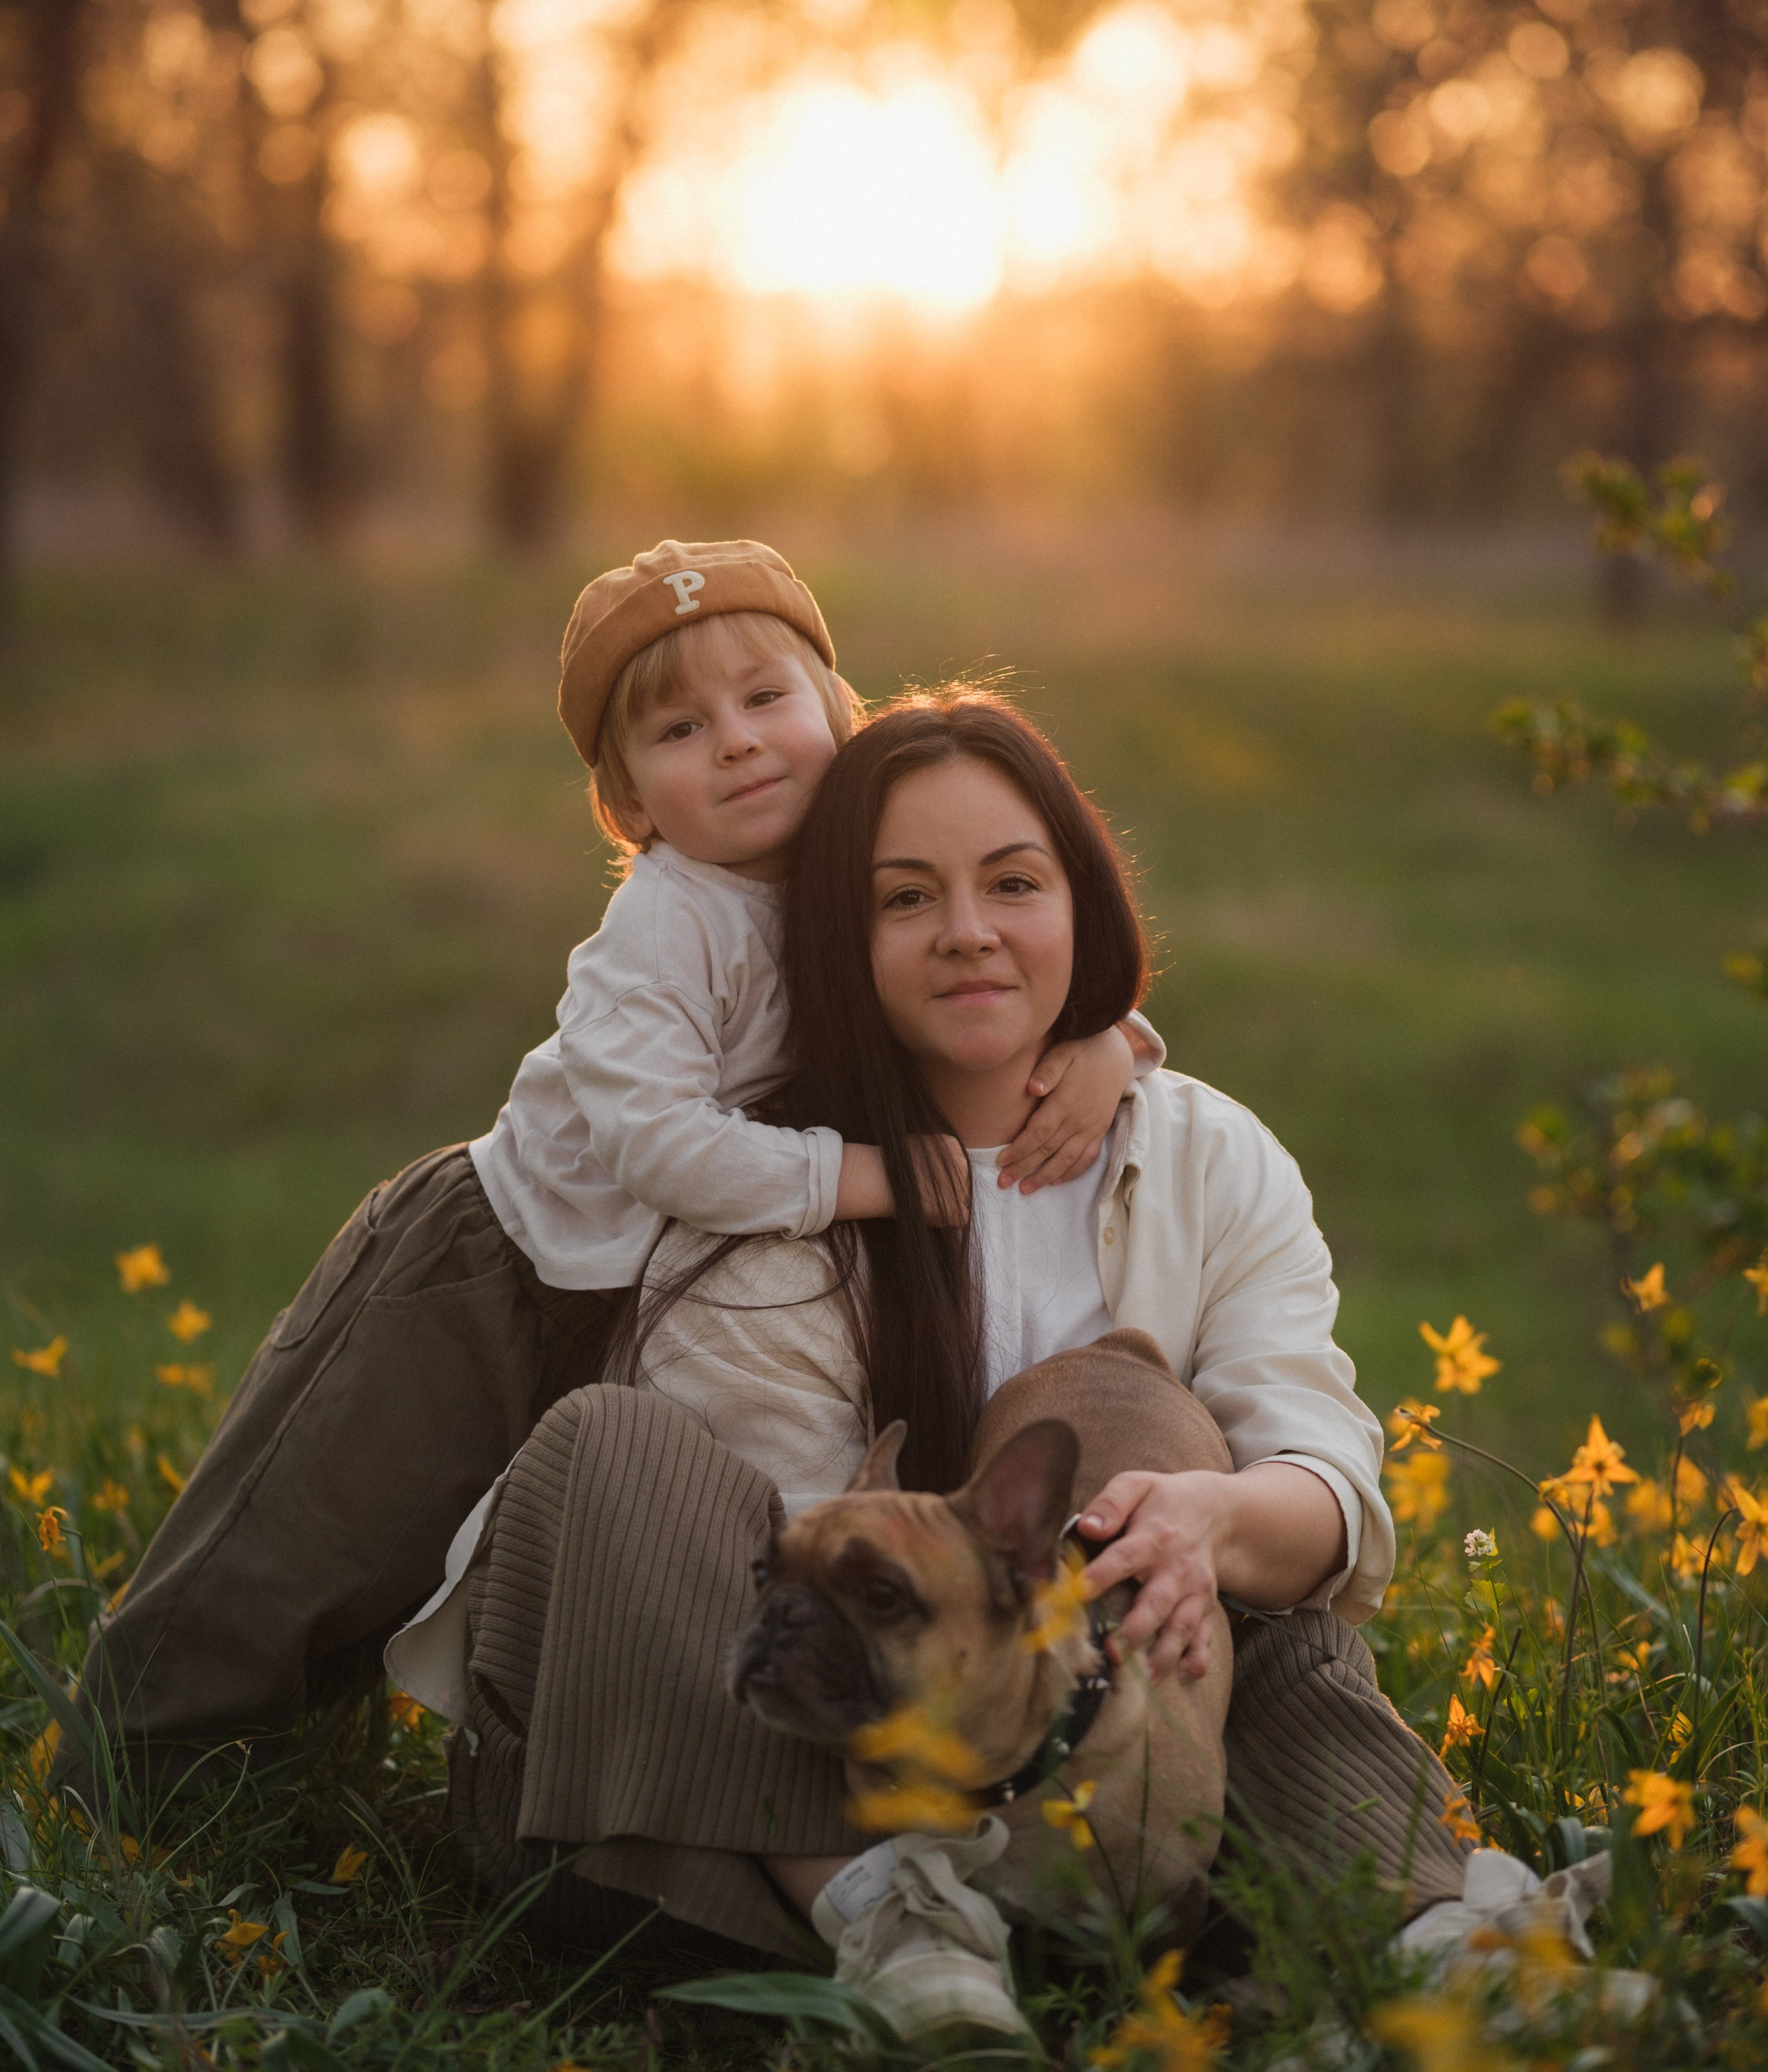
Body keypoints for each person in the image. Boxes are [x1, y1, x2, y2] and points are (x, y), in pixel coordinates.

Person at [436, 691, 1486, 2040]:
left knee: (1243, 1601)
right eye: (903, 899)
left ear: (1079, 901)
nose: (969, 933)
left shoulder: (1206, 1159)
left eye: (1011, 883)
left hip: (1096, 1786)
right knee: (618, 1457)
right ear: (835, 938)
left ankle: (1455, 1943)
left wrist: (1206, 1522)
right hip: (744, 1810)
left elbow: (1321, 1462)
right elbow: (774, 1567)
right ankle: (900, 1917)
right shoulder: (771, 1185)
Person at [75, 550, 1148, 1785]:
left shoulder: (859, 884)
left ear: (840, 716)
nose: (738, 744)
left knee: (453, 1548)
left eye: (766, 701)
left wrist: (1109, 1045)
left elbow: (985, 974)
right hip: (483, 1267)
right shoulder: (666, 926)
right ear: (628, 803)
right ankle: (120, 1774)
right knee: (303, 1536)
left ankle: (295, 1774)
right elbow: (663, 1146)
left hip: (621, 1304)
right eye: (682, 729)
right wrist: (873, 1178)